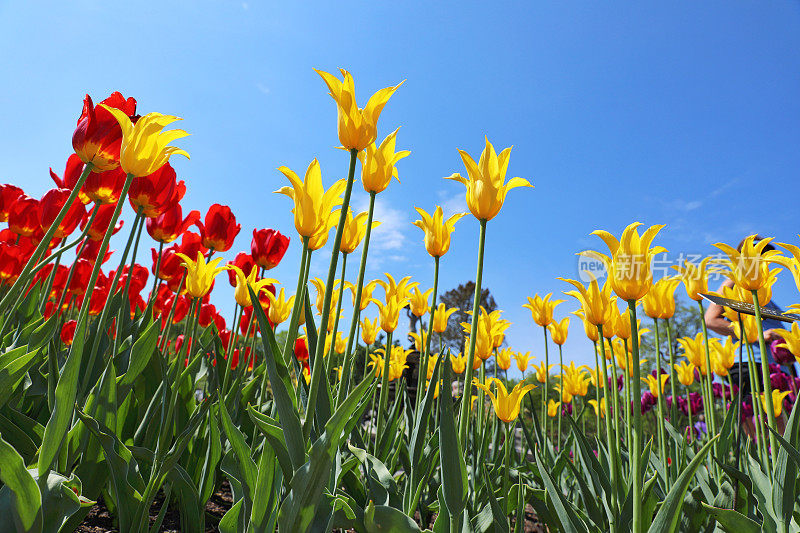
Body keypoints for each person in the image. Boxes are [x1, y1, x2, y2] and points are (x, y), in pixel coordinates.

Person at [704, 235, 789, 437]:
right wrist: (757, 335)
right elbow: (711, 319)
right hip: (750, 361)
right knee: (757, 415)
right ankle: (762, 462)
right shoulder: (733, 282)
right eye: (760, 258)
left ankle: (780, 463)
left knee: (782, 416)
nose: (764, 264)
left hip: (776, 363)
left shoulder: (763, 291)